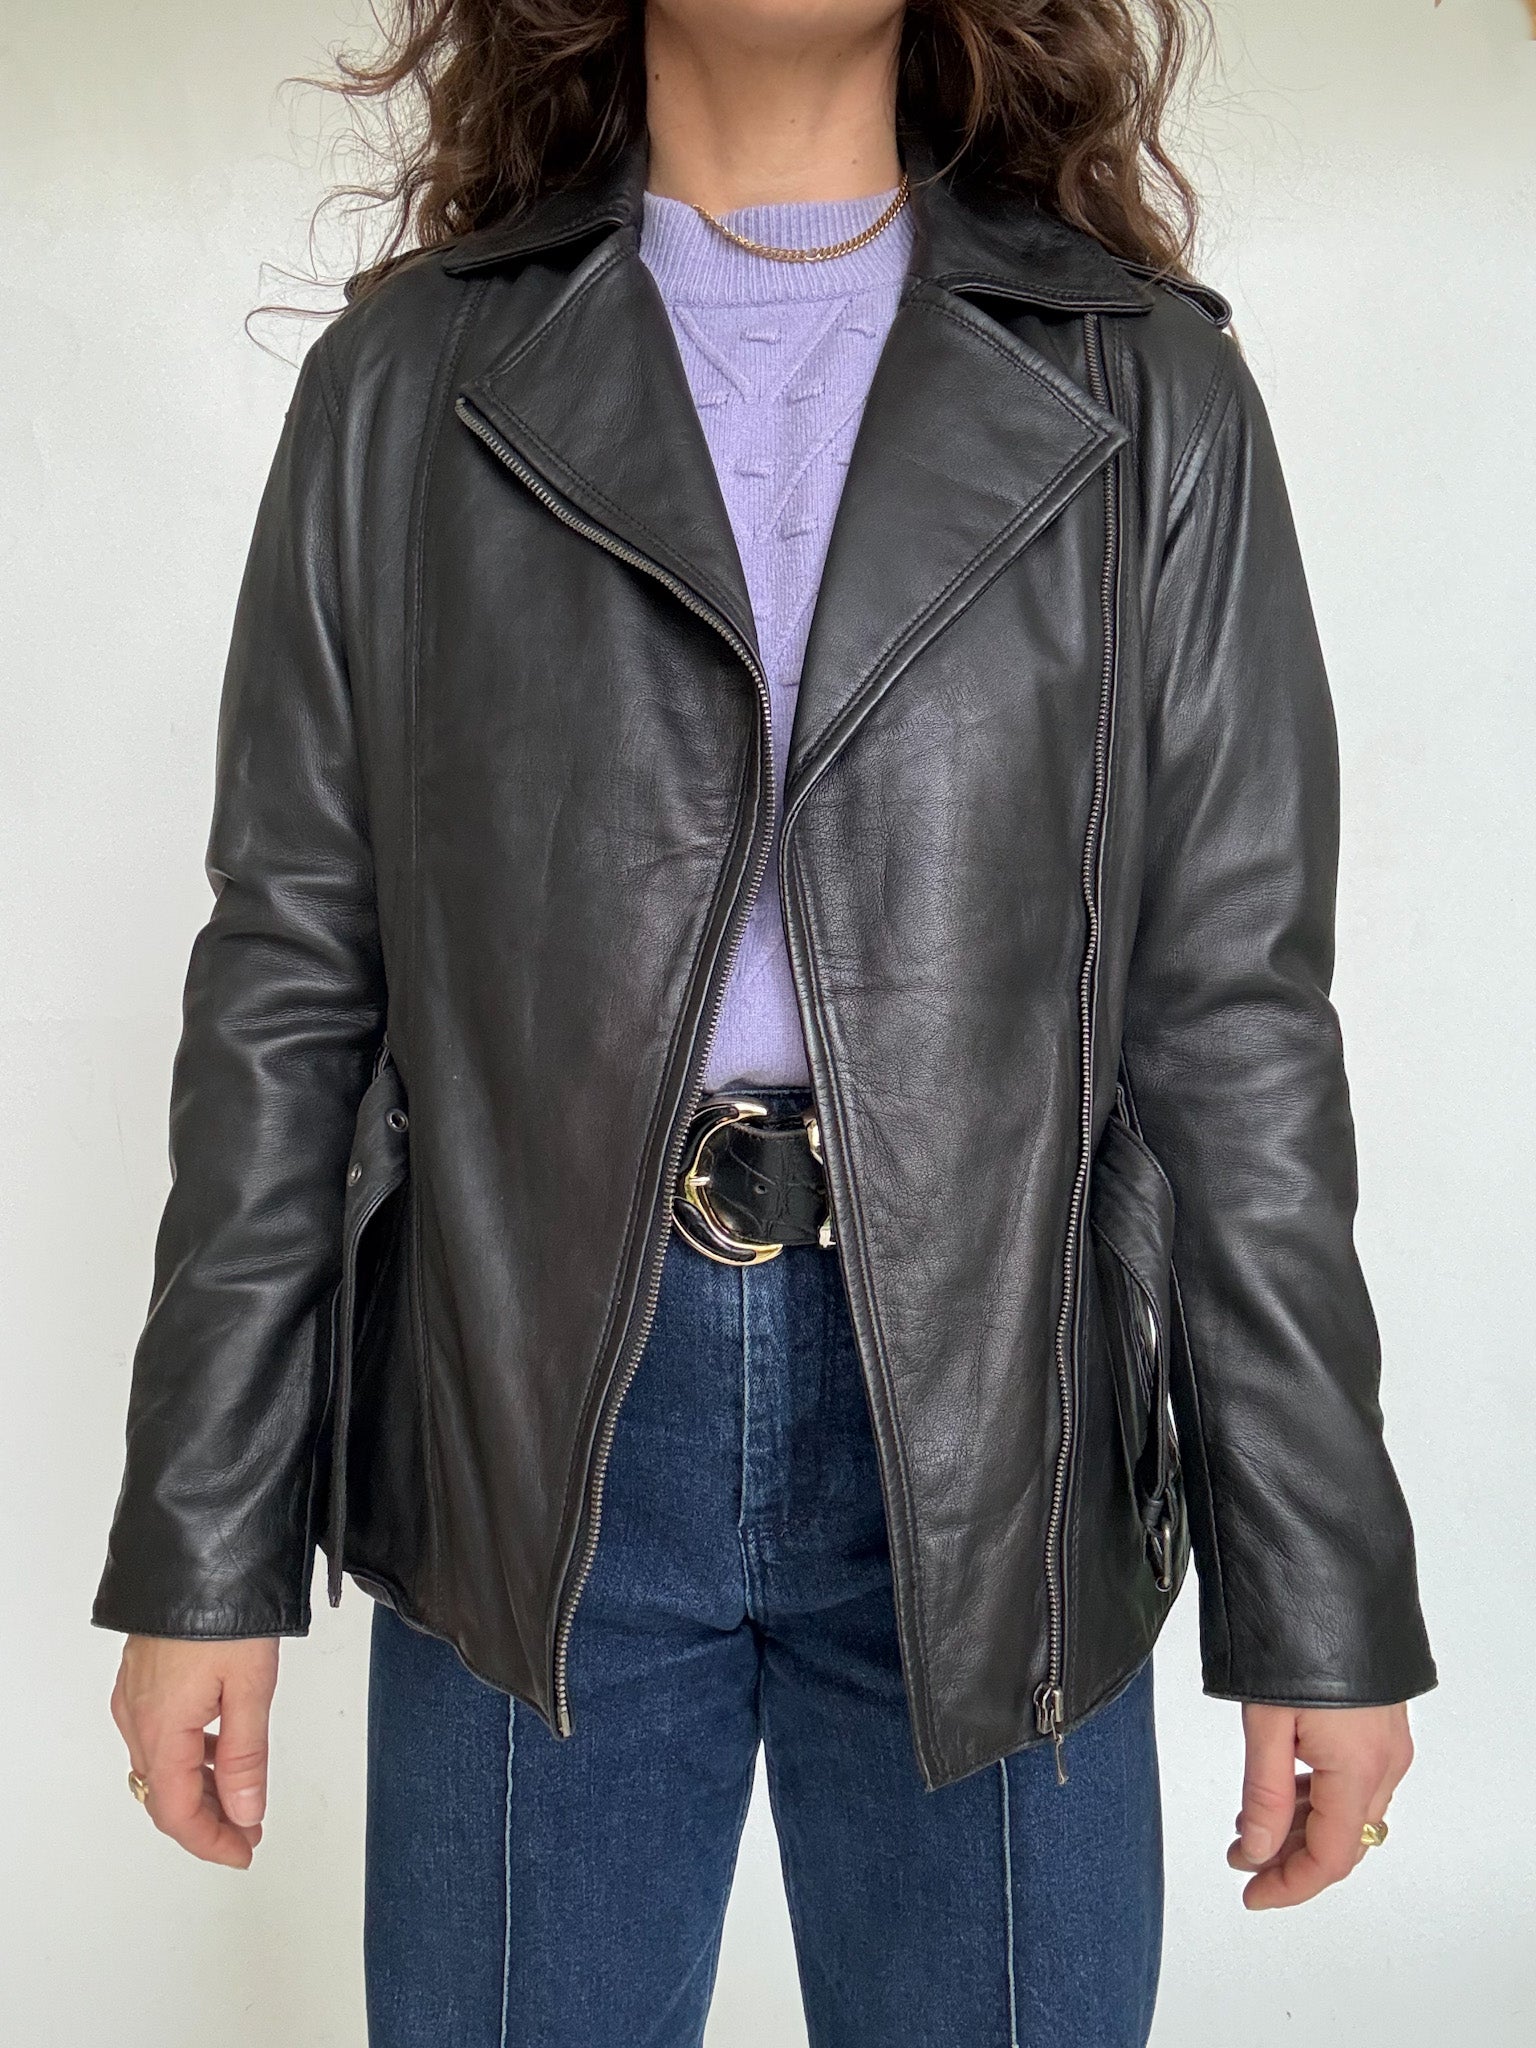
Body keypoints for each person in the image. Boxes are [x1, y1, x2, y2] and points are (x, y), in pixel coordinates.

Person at [94, 2, 1436, 2041]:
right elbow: (289, 977)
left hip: (1006, 1445)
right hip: (524, 1439)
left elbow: (1233, 1021)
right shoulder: (408, 383)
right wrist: (203, 1550)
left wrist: (1317, 1590)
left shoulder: (1148, 387)